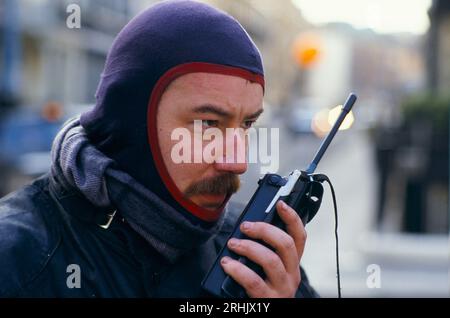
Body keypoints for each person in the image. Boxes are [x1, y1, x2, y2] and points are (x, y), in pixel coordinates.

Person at [0, 0, 318, 298]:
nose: (237, 162)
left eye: (246, 124)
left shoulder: (257, 256)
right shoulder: (16, 260)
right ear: (132, 120)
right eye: (208, 123)